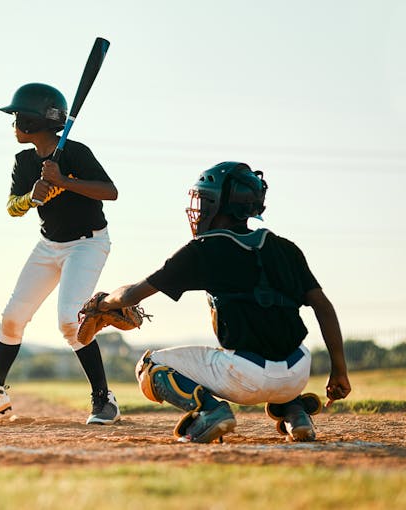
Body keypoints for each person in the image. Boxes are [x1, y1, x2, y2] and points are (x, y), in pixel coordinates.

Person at [92, 161, 351, 443]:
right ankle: (295, 411)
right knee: (268, 350)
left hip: (244, 376)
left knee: (150, 366)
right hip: (298, 370)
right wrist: (339, 370)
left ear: (218, 204)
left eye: (204, 200)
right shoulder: (285, 247)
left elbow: (132, 296)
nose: (199, 208)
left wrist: (104, 302)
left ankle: (210, 411)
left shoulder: (203, 249)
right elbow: (323, 307)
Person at [0, 83, 120, 426]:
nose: (14, 124)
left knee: (68, 321)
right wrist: (33, 197)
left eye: (17, 117)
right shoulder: (24, 162)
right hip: (49, 245)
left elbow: (110, 192)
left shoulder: (75, 153)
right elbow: (12, 208)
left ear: (33, 121)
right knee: (12, 318)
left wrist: (65, 180)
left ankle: (104, 399)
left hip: (88, 243)